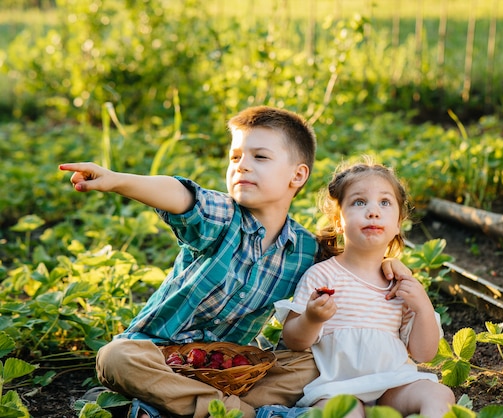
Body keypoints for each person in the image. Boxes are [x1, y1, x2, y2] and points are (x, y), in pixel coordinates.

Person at [59, 106, 412, 418]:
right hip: (158, 356)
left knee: (312, 365)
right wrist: (118, 181)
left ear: (298, 175)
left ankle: (171, 406)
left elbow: (352, 261)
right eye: (235, 157)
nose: (242, 165)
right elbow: (181, 195)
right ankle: (241, 414)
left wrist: (391, 265)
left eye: (260, 157)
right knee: (114, 358)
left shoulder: (306, 250)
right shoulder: (222, 217)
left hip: (231, 368)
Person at [276, 157, 456, 418]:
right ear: (338, 220)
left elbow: (423, 353)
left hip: (392, 384)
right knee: (345, 413)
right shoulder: (322, 275)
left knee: (440, 394)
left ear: (397, 223)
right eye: (359, 202)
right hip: (337, 388)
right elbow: (293, 340)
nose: (373, 211)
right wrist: (312, 318)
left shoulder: (401, 283)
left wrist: (424, 307)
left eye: (385, 203)